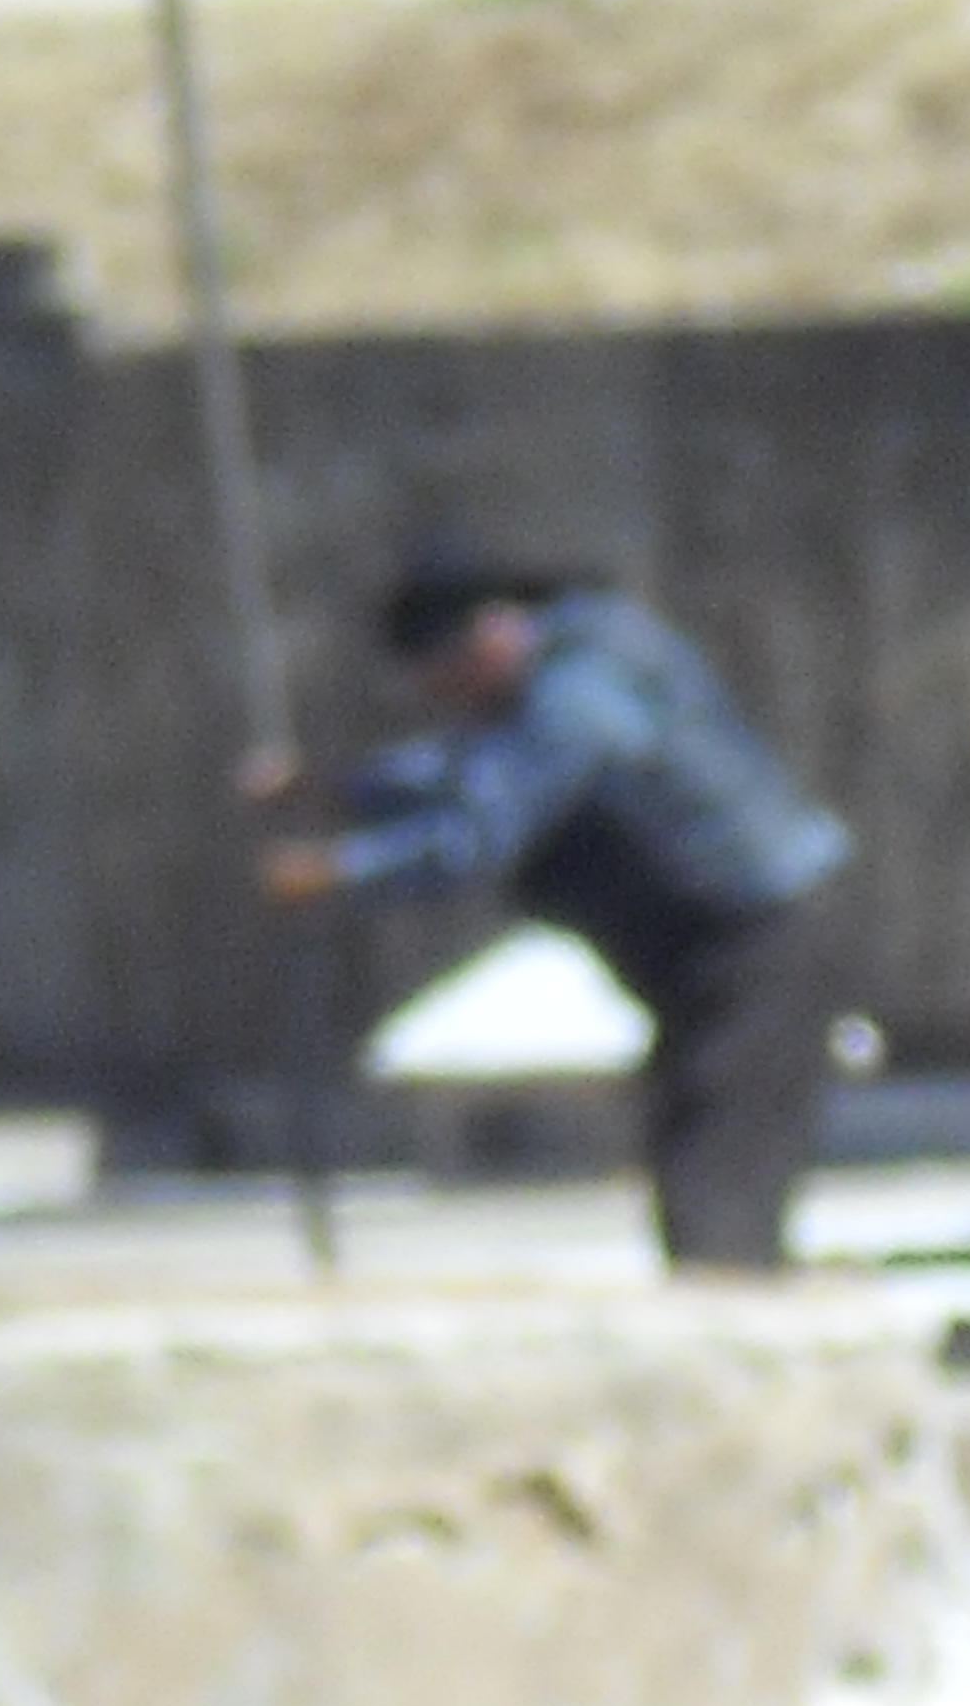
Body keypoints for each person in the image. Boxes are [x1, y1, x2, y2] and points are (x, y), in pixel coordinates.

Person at [246, 534, 853, 1274]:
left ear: (487, 637)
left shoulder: (578, 698)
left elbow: (477, 833)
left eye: (448, 682)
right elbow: (465, 768)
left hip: (760, 940)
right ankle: (729, 1286)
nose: (450, 704)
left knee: (721, 1149)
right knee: (688, 1134)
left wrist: (334, 872)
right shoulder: (560, 677)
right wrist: (339, 791)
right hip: (712, 946)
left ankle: (734, 1300)